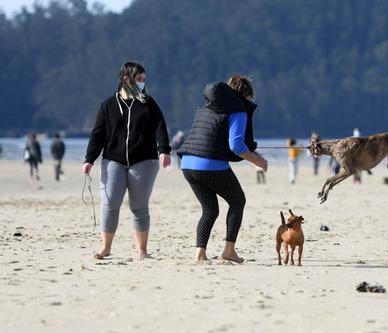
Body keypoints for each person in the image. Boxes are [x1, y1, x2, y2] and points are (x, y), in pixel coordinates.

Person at [83, 62, 171, 260]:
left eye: (143, 80)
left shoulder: (148, 104)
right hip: (113, 160)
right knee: (110, 202)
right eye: (139, 79)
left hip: (144, 161)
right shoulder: (108, 105)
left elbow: (160, 127)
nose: (142, 83)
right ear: (126, 79)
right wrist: (89, 159)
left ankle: (142, 251)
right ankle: (105, 248)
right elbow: (97, 135)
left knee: (139, 206)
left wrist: (164, 150)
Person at [177, 74, 268, 263]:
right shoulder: (238, 110)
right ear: (245, 95)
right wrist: (257, 160)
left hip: (187, 164)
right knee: (237, 201)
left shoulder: (204, 109)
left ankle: (200, 254)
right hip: (209, 165)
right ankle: (229, 251)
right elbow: (236, 145)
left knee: (209, 209)